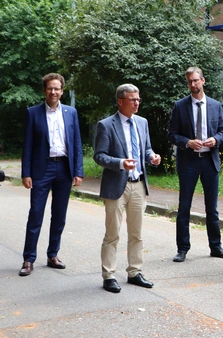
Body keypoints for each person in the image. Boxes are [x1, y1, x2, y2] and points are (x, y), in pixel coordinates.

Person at [94, 84, 162, 293]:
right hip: (117, 186)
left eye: (138, 99)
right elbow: (99, 156)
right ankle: (109, 275)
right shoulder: (106, 125)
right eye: (132, 99)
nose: (136, 103)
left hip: (138, 184)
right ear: (120, 101)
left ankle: (134, 272)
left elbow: (146, 148)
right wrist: (121, 163)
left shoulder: (142, 123)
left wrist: (152, 157)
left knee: (137, 233)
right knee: (112, 234)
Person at [19, 73, 84, 276]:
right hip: (42, 169)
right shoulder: (33, 113)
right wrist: (26, 173)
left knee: (59, 216)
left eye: (57, 88)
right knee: (36, 214)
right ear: (44, 90)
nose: (53, 92)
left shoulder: (71, 112)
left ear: (62, 91)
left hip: (64, 168)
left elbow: (77, 144)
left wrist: (78, 171)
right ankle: (28, 259)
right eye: (50, 88)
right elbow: (27, 146)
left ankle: (52, 254)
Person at [168, 67, 223, 262]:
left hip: (210, 161)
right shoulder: (180, 106)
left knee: (212, 208)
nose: (193, 85)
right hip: (189, 162)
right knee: (184, 206)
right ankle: (182, 248)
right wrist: (187, 142)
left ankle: (216, 246)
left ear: (203, 81)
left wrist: (215, 140)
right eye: (189, 82)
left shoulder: (215, 105)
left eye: (196, 80)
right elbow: (172, 134)